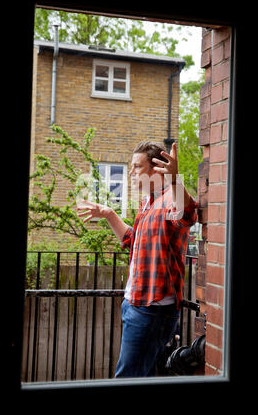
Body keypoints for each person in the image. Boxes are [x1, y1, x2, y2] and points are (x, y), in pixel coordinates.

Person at [77, 141, 198, 377]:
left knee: (127, 378)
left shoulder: (169, 197)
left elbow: (187, 215)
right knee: (145, 377)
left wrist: (175, 179)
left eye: (136, 167)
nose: (131, 174)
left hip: (151, 310)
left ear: (156, 169)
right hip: (135, 304)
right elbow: (134, 242)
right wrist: (109, 214)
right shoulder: (147, 202)